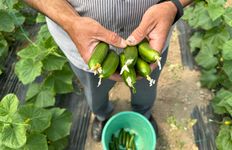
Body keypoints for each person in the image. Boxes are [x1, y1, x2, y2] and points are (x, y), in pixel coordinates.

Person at [24, 0, 193, 142]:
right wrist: (70, 21)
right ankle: (102, 115)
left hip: (152, 40)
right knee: (94, 91)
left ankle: (143, 113)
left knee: (146, 87)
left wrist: (174, 5)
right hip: (82, 44)